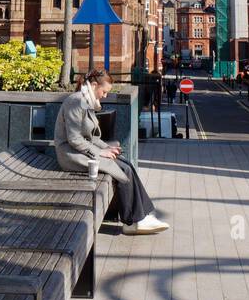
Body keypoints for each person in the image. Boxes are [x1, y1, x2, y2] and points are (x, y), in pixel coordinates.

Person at [55, 68, 169, 235]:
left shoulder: (85, 101)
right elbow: (74, 139)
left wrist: (106, 148)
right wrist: (100, 153)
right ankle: (131, 221)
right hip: (70, 155)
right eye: (104, 91)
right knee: (122, 170)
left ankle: (142, 216)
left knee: (126, 163)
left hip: (82, 151)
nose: (105, 95)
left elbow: (91, 137)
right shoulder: (75, 102)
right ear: (94, 85)